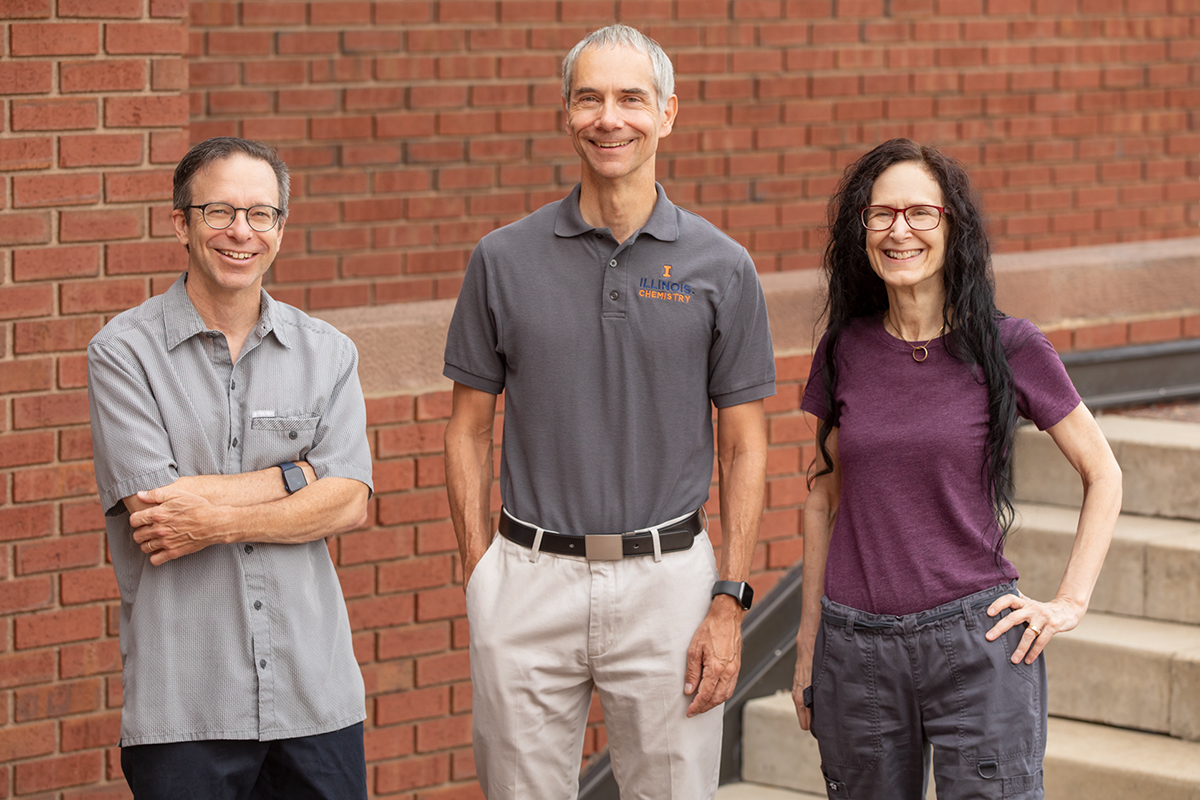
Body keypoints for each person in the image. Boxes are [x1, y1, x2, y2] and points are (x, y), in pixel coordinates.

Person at [443, 24, 775, 800]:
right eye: (589, 98)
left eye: (631, 98)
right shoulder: (502, 258)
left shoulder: (722, 266)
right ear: (566, 113)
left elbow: (746, 448)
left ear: (668, 114)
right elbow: (466, 430)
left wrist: (729, 597)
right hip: (525, 580)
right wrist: (478, 573)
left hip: (671, 589)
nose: (609, 117)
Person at [790, 138, 1122, 800]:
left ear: (951, 225)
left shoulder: (1010, 346)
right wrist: (809, 647)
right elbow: (822, 501)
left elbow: (1104, 473)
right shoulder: (843, 351)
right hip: (856, 652)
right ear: (862, 229)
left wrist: (1068, 604)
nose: (899, 230)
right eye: (881, 215)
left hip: (976, 645)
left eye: (920, 213)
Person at [86, 137, 373, 800]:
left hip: (316, 697)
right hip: (185, 706)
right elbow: (156, 507)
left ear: (280, 229)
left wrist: (208, 516)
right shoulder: (123, 354)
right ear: (181, 224)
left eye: (260, 214)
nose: (240, 231)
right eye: (219, 212)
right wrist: (300, 476)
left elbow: (351, 502)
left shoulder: (328, 354)